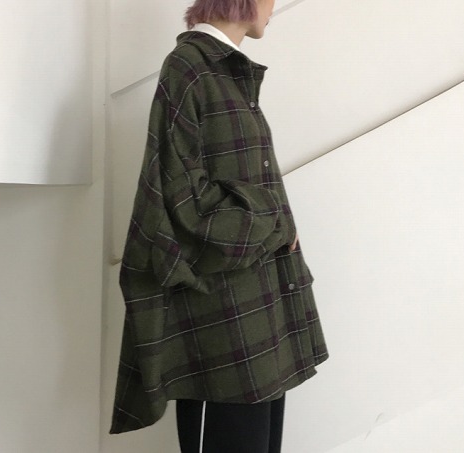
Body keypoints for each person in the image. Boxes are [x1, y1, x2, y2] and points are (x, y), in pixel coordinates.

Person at [110, 1, 329, 451]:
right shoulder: (189, 69)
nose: (273, 6)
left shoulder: (227, 71)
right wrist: (274, 220)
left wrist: (274, 223)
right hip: (224, 314)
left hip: (258, 302)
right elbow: (181, 196)